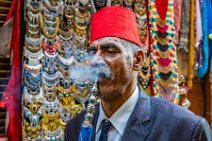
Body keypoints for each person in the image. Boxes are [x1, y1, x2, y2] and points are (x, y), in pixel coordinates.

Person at [65, 6, 212, 141]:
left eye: (110, 51)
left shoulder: (185, 130)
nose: (96, 61)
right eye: (92, 52)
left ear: (137, 60)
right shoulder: (74, 128)